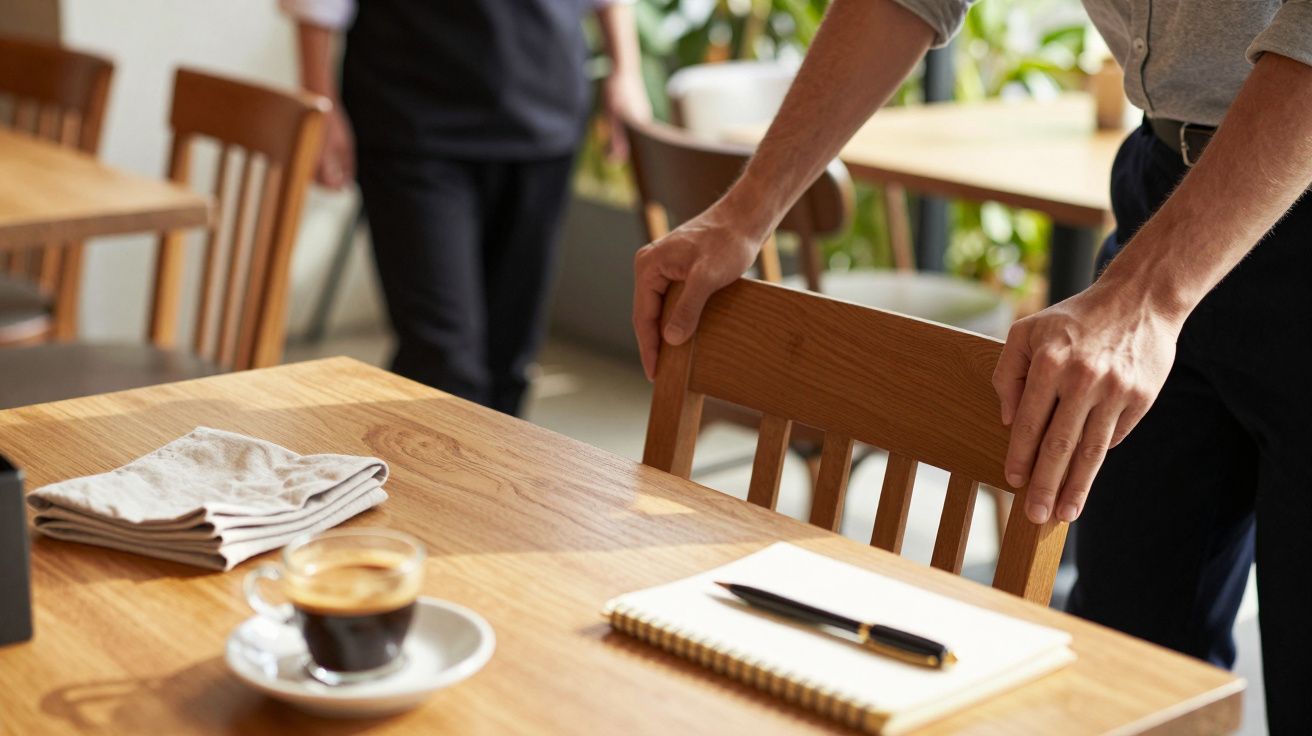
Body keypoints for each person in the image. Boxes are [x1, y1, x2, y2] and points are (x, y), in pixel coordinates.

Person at [631, 0, 1310, 730]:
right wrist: (743, 213)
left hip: (1270, 186)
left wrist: (1146, 297)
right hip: (1162, 190)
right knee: (1126, 671)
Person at [282, 0, 650, 416]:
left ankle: (492, 478)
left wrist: (626, 68)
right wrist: (320, 98)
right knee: (442, 359)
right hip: (409, 117)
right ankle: (426, 478)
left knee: (509, 359)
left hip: (543, 112)